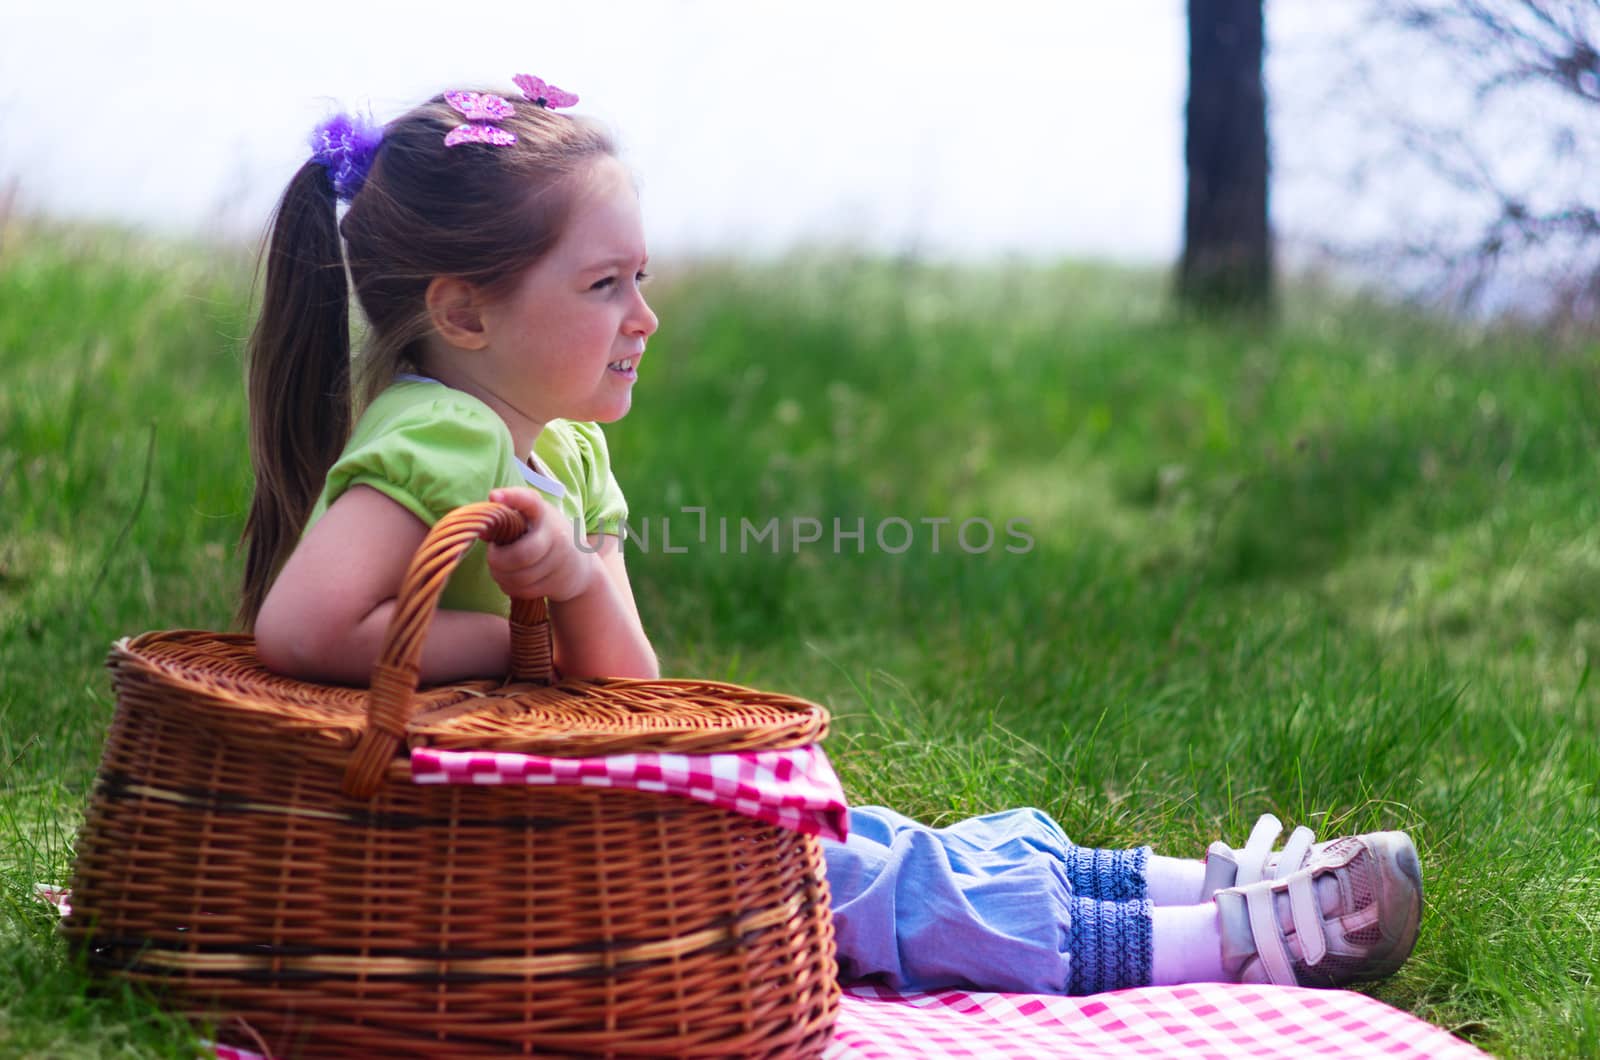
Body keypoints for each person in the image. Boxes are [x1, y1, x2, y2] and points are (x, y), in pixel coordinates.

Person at [243, 77, 1424, 997]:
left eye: (640, 277)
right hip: (506, 848)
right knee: (842, 876)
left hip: (590, 802)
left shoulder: (569, 450)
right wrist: (505, 642)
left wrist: (559, 591)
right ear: (463, 310)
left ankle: (1183, 884)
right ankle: (1208, 945)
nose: (644, 316)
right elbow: (302, 628)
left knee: (852, 831)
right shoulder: (436, 429)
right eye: (604, 283)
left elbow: (628, 683)